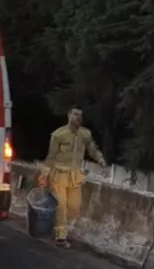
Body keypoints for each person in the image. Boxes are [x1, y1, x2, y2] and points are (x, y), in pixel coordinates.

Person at [39, 105, 107, 248]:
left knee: (74, 207)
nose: (78, 117)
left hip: (75, 175)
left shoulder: (85, 134)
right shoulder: (58, 134)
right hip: (59, 175)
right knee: (62, 205)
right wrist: (44, 174)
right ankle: (61, 237)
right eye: (75, 114)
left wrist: (101, 162)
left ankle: (56, 224)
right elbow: (50, 157)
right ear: (69, 115)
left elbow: (93, 150)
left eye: (80, 115)